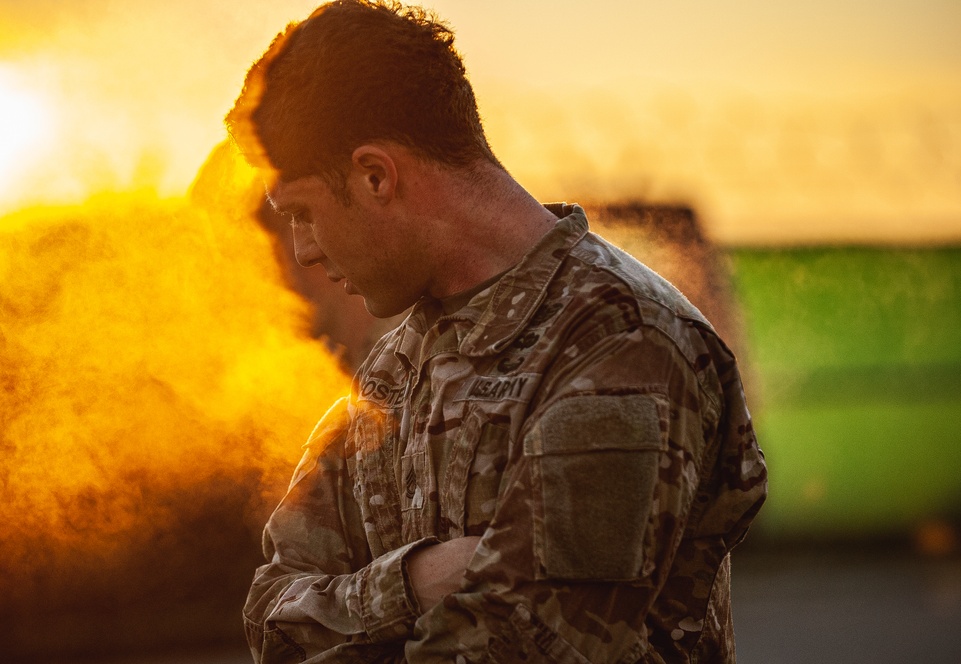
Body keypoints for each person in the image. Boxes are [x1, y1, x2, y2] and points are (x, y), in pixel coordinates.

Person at [226, 1, 767, 662]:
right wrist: (417, 581)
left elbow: (526, 645)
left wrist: (355, 608)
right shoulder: (398, 363)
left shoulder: (621, 344)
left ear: (376, 175)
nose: (303, 251)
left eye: (303, 212)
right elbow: (271, 618)